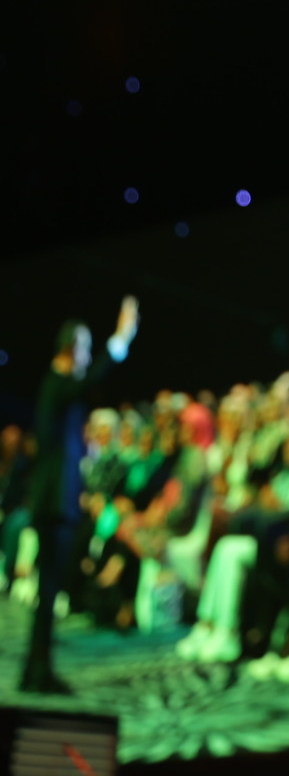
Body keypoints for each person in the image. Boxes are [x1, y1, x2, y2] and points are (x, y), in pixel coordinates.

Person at [21, 296, 140, 693]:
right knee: (48, 589)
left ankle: (37, 668)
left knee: (48, 589)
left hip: (56, 501)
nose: (89, 358)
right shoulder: (59, 384)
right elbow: (88, 382)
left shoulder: (56, 388)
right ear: (72, 348)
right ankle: (38, 671)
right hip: (55, 502)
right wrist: (120, 340)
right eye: (87, 348)